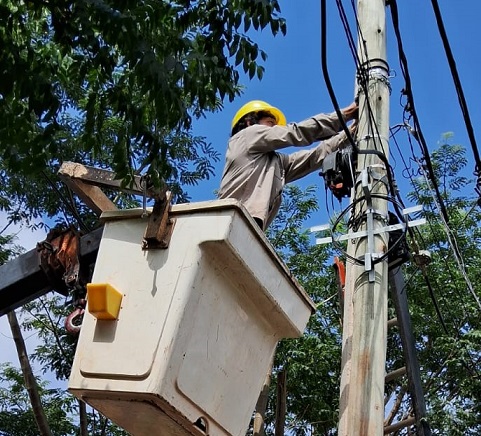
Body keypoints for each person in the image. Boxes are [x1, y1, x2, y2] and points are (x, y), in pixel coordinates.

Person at [218, 99, 358, 230]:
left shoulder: (275, 163)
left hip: (245, 227)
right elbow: (296, 132)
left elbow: (313, 157)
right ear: (249, 122)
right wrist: (345, 114)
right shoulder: (246, 136)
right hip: (227, 220)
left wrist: (350, 132)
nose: (275, 128)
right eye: (270, 123)